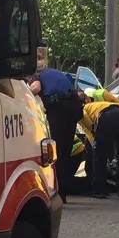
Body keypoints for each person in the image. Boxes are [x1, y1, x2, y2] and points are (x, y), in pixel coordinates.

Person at [28, 49, 84, 202]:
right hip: (73, 105)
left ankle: (58, 193)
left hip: (58, 107)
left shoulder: (36, 76)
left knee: (56, 150)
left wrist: (26, 93)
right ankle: (64, 190)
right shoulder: (55, 72)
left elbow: (36, 89)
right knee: (66, 149)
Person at [79, 97, 119, 199]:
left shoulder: (82, 110)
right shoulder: (100, 104)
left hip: (108, 118)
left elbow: (90, 128)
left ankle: (100, 190)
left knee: (100, 155)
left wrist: (95, 144)